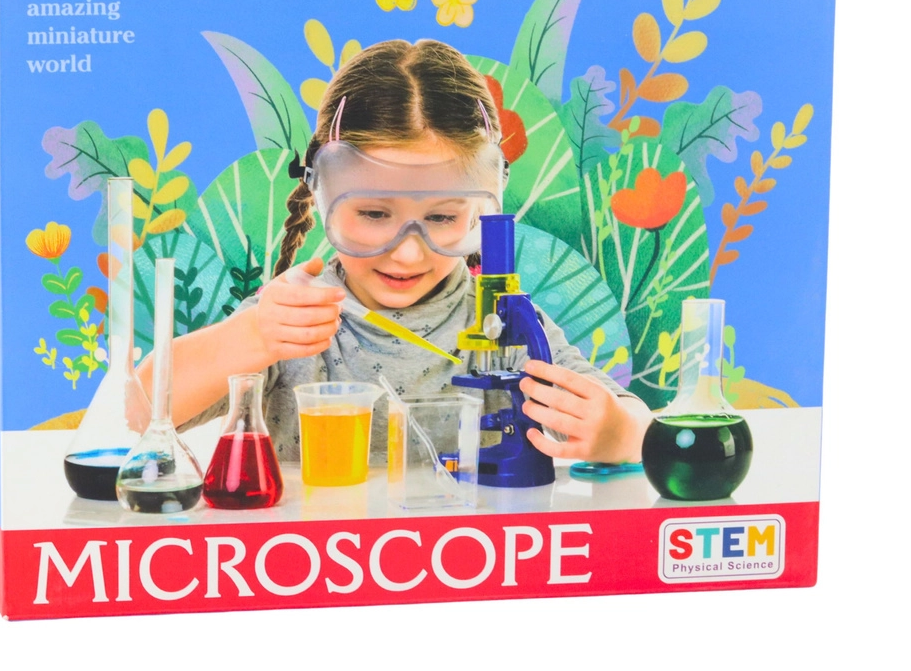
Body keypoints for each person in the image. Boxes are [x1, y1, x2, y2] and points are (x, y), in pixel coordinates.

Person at [141, 39, 651, 465]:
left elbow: (633, 420)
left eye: (442, 218)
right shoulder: (292, 320)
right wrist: (251, 335)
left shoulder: (505, 324)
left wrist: (618, 432)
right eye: (373, 214)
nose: (407, 255)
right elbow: (141, 410)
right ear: (322, 195)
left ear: (481, 209)